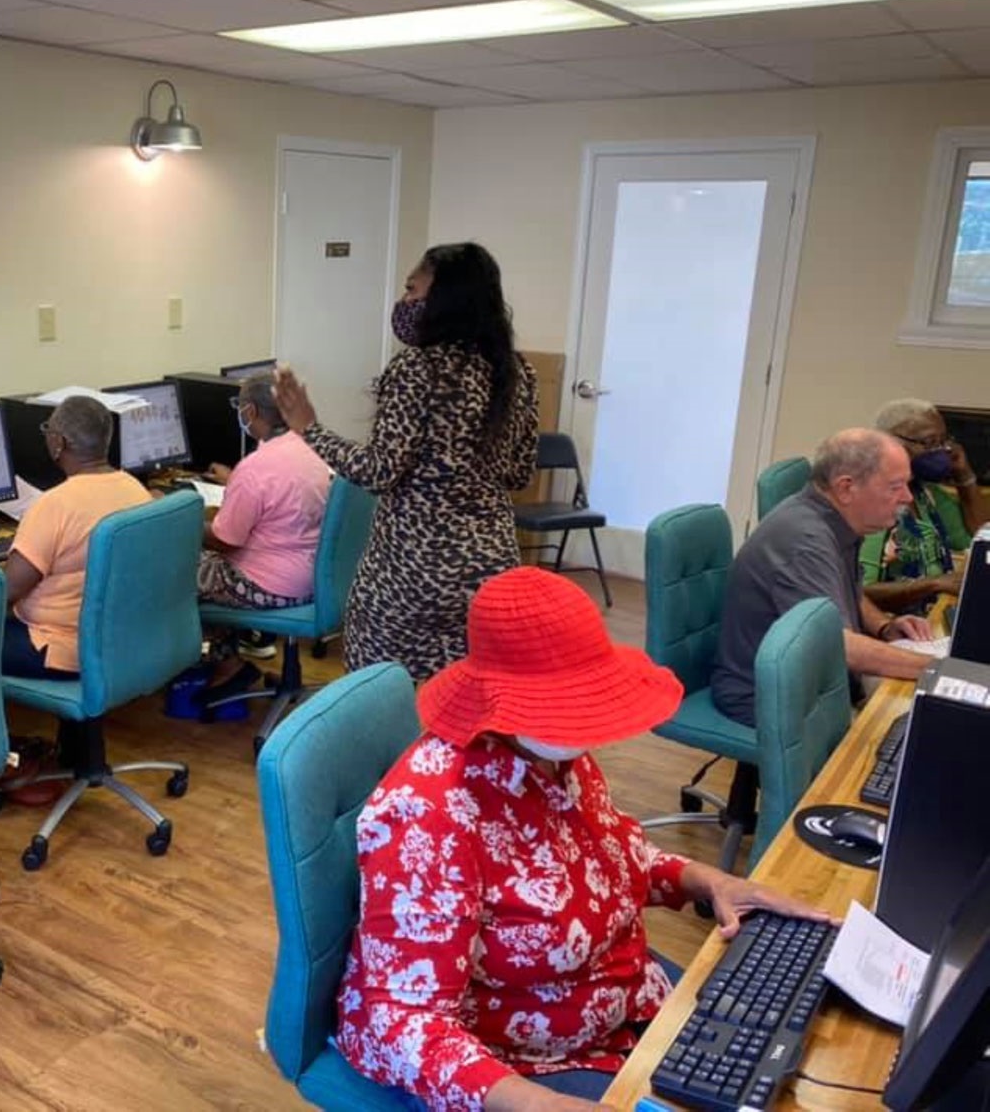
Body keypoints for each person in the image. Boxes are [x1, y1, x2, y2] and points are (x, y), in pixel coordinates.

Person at [336, 567, 832, 1109]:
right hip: (522, 1061)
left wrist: (708, 881)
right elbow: (402, 1021)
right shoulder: (428, 815)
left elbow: (609, 857)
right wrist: (542, 1104)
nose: (586, 726)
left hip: (620, 999)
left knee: (786, 1048)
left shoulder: (551, 755)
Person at [274, 242, 539, 681]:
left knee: (379, 689)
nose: (404, 300)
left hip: (413, 571)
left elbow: (379, 472)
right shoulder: (516, 371)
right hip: (490, 569)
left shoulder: (417, 368)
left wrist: (309, 428)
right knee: (464, 694)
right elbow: (519, 472)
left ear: (445, 298)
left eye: (412, 289)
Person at [712, 429, 936, 727]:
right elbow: (838, 645)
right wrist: (937, 669)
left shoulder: (836, 518)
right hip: (768, 698)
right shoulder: (807, 542)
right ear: (846, 488)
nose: (906, 497)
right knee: (913, 731)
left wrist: (883, 627)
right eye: (895, 487)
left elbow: (846, 590)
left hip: (814, 682)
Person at [0, 396, 151, 679]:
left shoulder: (54, 505)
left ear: (57, 442)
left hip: (58, 649)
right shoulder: (136, 490)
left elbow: (7, 590)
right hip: (115, 641)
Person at [199, 376, 331, 693]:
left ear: (250, 411)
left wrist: (182, 518)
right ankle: (240, 652)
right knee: (213, 566)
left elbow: (225, 540)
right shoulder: (312, 448)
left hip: (273, 587)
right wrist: (236, 480)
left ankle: (228, 665)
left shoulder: (256, 468)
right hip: (318, 580)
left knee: (182, 569)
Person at [859, 399, 987, 614]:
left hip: (936, 612)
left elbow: (977, 535)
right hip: (898, 624)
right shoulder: (871, 502)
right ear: (890, 442)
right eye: (929, 443)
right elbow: (860, 592)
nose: (941, 451)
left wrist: (963, 475)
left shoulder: (923, 491)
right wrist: (933, 584)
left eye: (943, 441)